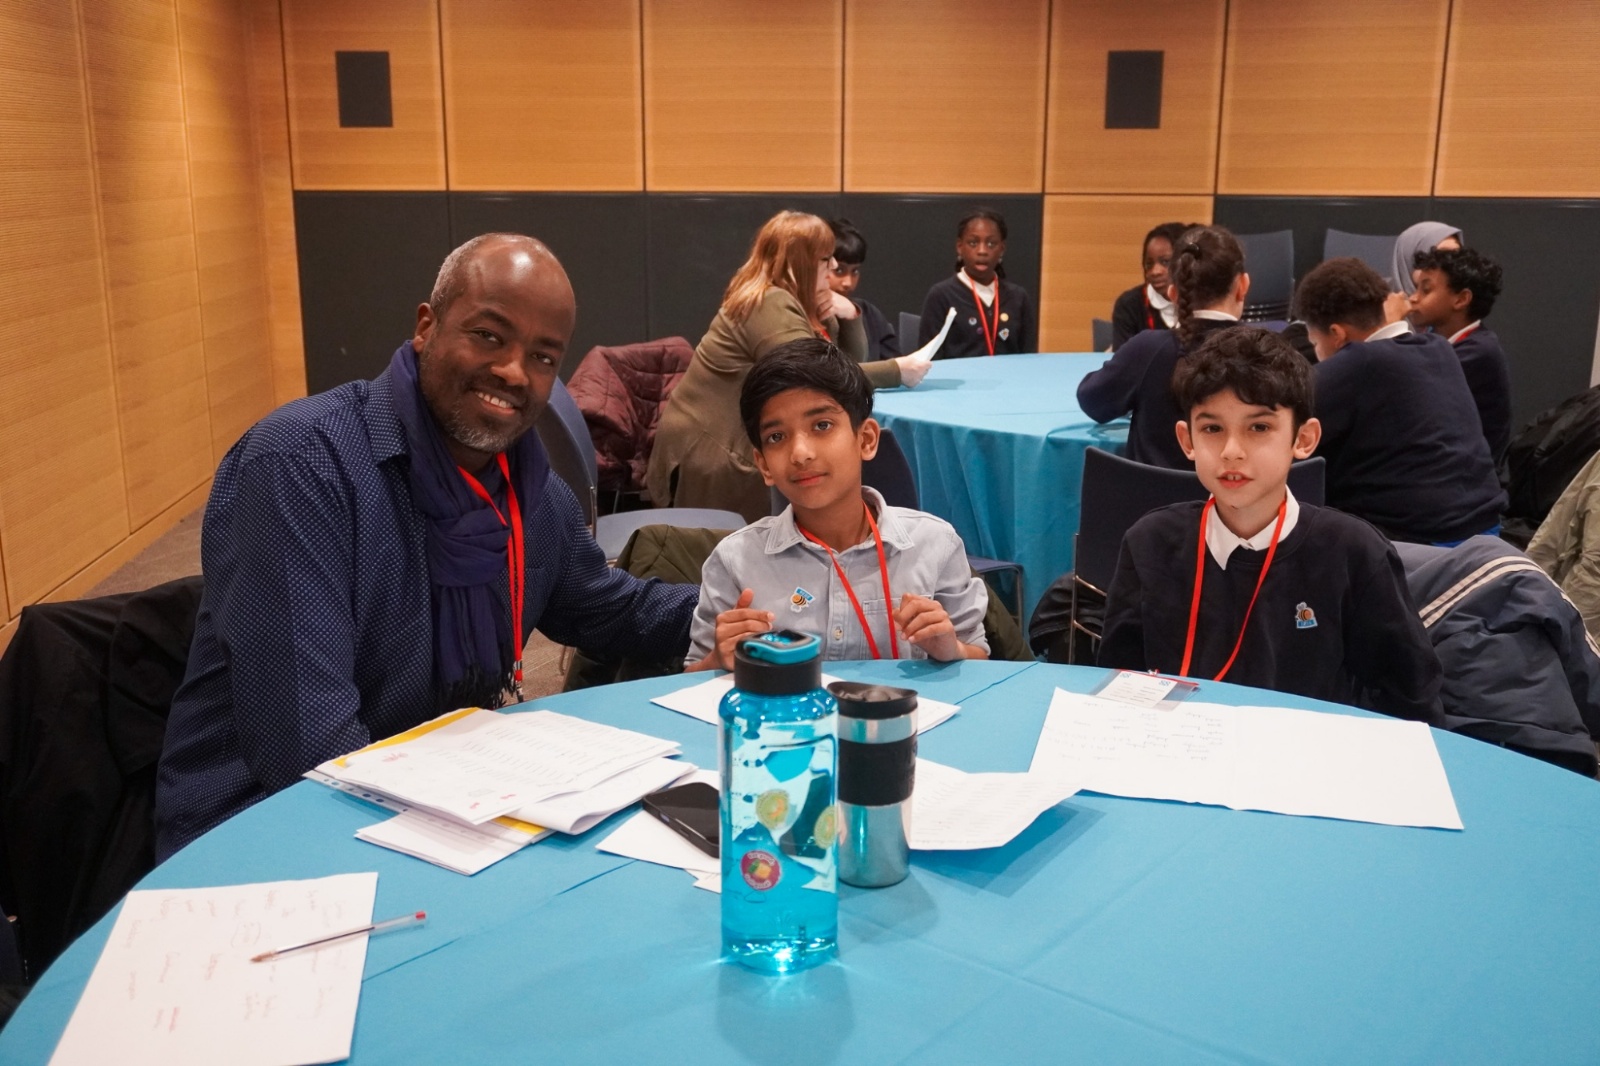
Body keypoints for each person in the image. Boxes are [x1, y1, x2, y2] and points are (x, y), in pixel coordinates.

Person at [155, 234, 699, 858]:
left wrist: (747, 609)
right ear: (426, 327)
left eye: (543, 357)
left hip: (445, 798)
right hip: (265, 833)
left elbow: (606, 607)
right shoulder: (301, 466)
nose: (513, 371)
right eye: (489, 336)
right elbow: (308, 745)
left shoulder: (529, 491)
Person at [1098, 326, 1442, 722]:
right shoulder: (1150, 544)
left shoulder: (1353, 553)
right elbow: (1120, 684)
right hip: (1180, 747)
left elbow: (1412, 701)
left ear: (1304, 439)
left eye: (1258, 427)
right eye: (1212, 429)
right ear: (1187, 440)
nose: (1231, 451)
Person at [688, 338, 989, 669]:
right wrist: (719, 657)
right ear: (764, 465)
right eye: (777, 437)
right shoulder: (736, 560)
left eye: (822, 426)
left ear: (866, 439)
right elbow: (692, 673)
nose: (800, 453)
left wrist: (951, 649)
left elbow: (979, 658)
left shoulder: (933, 544)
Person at [648, 211, 929, 524]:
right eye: (826, 259)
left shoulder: (788, 300)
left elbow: (840, 370)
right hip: (715, 451)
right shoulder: (769, 302)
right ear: (801, 263)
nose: (834, 267)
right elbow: (815, 376)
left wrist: (847, 316)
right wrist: (897, 370)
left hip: (726, 442)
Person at [1294, 257, 1506, 544]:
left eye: (1315, 343)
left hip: (1417, 544)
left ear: (1337, 334)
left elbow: (1283, 423)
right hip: (1487, 532)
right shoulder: (1439, 349)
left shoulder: (1356, 364)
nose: (1317, 352)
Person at [1078, 225, 1248, 468]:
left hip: (1149, 492)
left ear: (1173, 293)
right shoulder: (1269, 353)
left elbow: (1093, 401)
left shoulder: (1146, 350)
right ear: (1243, 285)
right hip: (1238, 492)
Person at [1407, 246, 1512, 462]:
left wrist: (1388, 326)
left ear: (1461, 299)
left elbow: (1407, 390)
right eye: (1416, 288)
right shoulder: (1436, 339)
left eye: (1426, 290)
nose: (1413, 298)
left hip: (1469, 473)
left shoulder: (1480, 351)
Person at [917, 209, 1037, 359]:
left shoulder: (1018, 297)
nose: (982, 251)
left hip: (1009, 374)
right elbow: (929, 358)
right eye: (973, 243)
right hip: (958, 375)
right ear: (960, 247)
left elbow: (1029, 357)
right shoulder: (941, 295)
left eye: (991, 244)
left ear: (1002, 249)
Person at [1109, 221, 1190, 350]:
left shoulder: (1206, 302)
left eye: (1165, 262)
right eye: (1149, 264)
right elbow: (1123, 358)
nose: (1155, 271)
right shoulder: (1129, 305)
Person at [828, 217, 899, 362]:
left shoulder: (869, 313)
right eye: (839, 270)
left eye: (854, 271)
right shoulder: (806, 319)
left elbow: (895, 362)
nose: (848, 283)